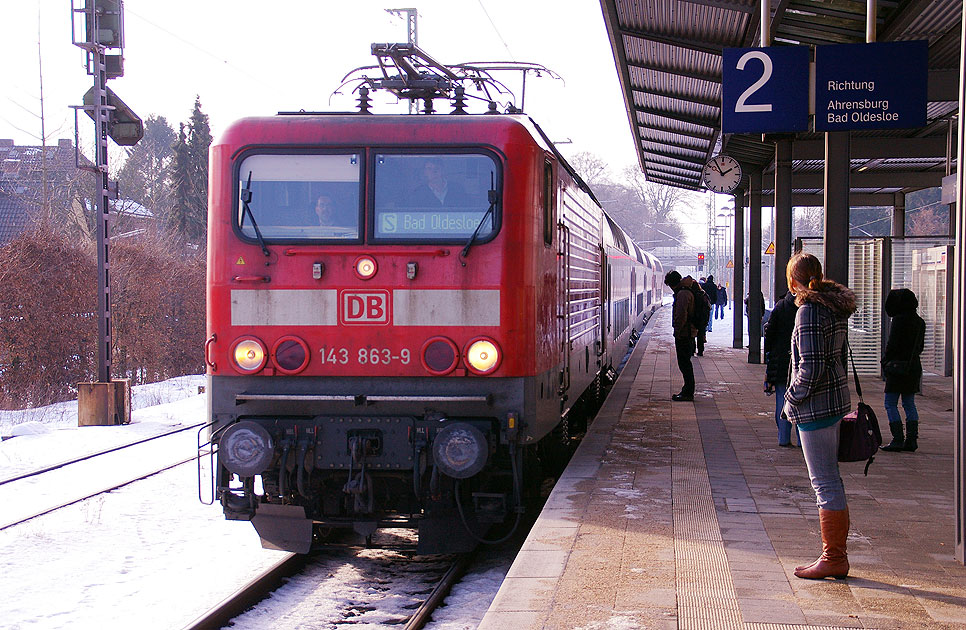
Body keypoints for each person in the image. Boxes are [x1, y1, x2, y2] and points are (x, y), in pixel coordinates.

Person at [782, 252, 857, 580]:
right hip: (834, 400)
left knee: (824, 482)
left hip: (816, 406)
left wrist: (790, 400)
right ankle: (835, 555)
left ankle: (833, 557)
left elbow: (810, 368)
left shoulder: (809, 312)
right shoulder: (831, 307)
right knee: (831, 480)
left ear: (793, 280)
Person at [880, 288, 925, 452]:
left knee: (890, 403)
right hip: (913, 367)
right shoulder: (920, 322)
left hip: (897, 368)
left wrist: (885, 362)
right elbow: (920, 347)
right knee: (909, 403)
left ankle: (897, 438)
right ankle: (911, 440)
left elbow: (892, 345)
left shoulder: (898, 321)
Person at [763, 289, 800, 447]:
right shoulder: (808, 308)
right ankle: (802, 440)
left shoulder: (781, 306)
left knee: (782, 398)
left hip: (781, 360)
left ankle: (783, 438)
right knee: (801, 401)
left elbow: (769, 333)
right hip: (801, 360)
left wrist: (769, 355)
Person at [665, 270, 696, 402]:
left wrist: (677, 332)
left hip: (684, 334)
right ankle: (687, 390)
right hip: (688, 332)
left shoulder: (683, 294)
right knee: (685, 363)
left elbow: (681, 315)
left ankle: (688, 392)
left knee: (684, 364)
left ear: (673, 284)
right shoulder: (685, 291)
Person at [695, 277, 708, 355]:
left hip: (694, 318)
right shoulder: (704, 295)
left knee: (692, 336)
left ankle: (692, 350)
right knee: (700, 334)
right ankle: (700, 351)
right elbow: (708, 307)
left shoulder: (692, 295)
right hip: (702, 318)